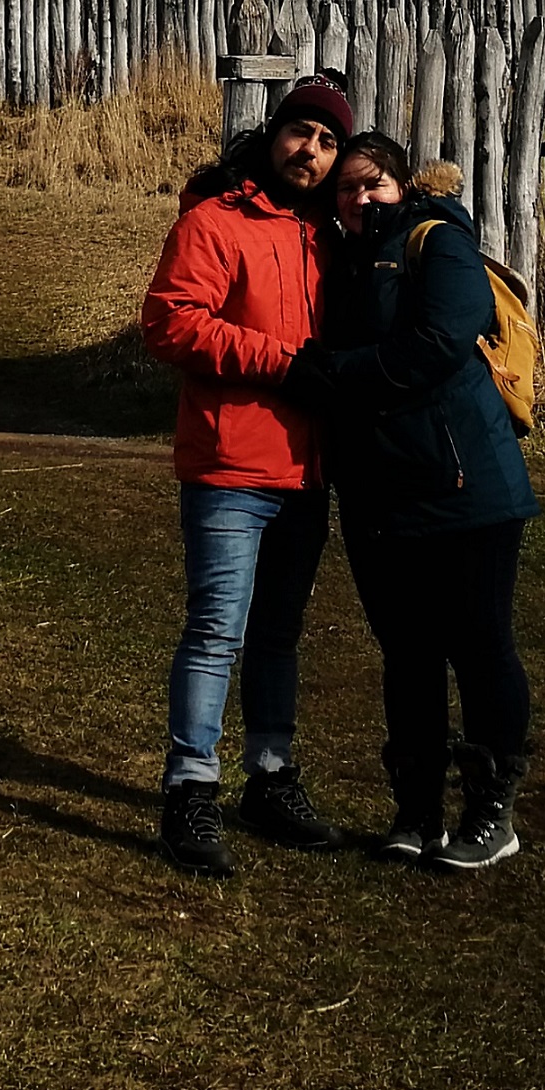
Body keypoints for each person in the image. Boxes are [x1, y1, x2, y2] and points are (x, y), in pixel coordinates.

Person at [289, 134, 540, 871]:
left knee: (480, 645)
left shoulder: (439, 244)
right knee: (406, 655)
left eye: (373, 185)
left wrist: (331, 374)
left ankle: (492, 810)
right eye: (346, 189)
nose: (359, 198)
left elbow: (436, 345)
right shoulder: (344, 260)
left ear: (402, 185)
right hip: (378, 491)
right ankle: (417, 810)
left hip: (465, 485)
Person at [139, 78, 354, 876]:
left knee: (276, 635)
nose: (312, 152)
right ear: (273, 135)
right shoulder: (215, 220)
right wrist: (283, 366)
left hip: (307, 468)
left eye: (329, 142)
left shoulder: (325, 233)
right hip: (232, 461)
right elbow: (169, 322)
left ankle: (269, 778)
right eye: (302, 133)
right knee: (216, 632)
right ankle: (189, 790)